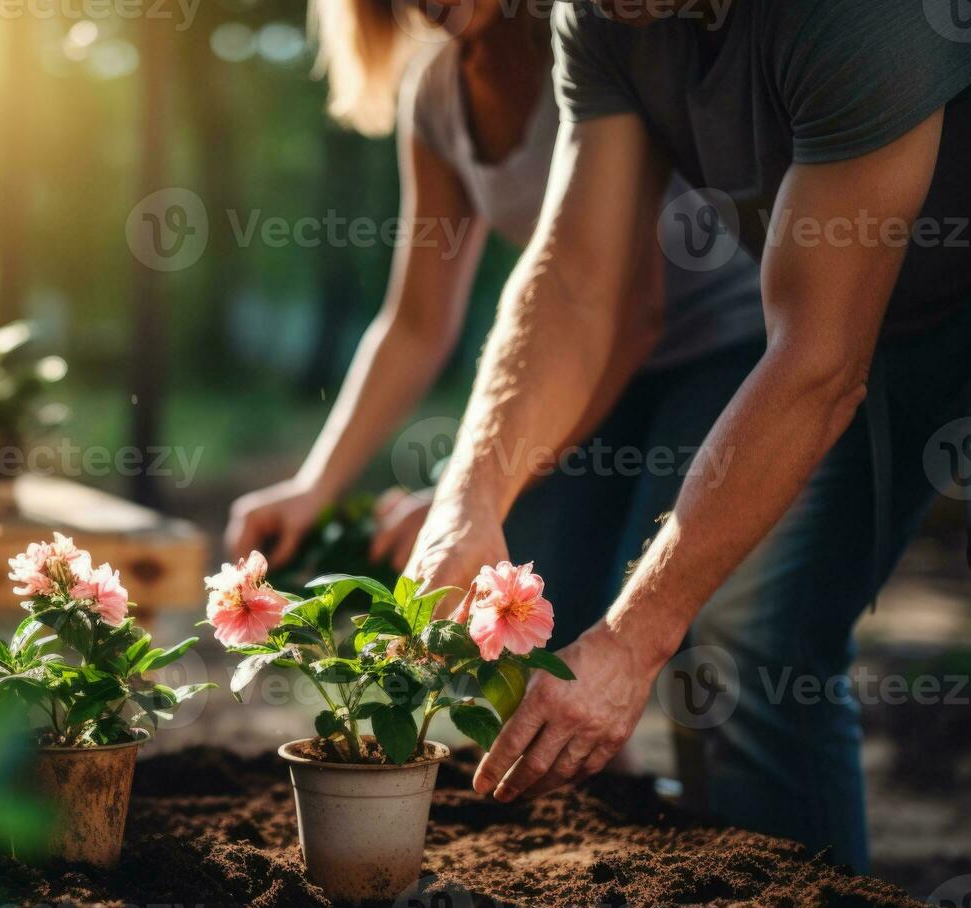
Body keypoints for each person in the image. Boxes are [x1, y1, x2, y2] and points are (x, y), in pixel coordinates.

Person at [402, 0, 971, 872]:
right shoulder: (597, 17)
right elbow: (576, 283)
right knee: (733, 638)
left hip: (931, 315)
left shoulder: (865, 17)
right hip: (851, 314)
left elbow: (818, 363)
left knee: (752, 626)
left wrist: (632, 639)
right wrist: (465, 499)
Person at [227, 1, 762, 734]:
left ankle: (742, 826)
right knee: (548, 615)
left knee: (683, 614)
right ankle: (604, 807)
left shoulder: (597, 44)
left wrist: (467, 491)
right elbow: (415, 323)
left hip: (723, 347)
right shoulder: (438, 97)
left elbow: (629, 312)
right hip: (588, 367)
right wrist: (316, 483)